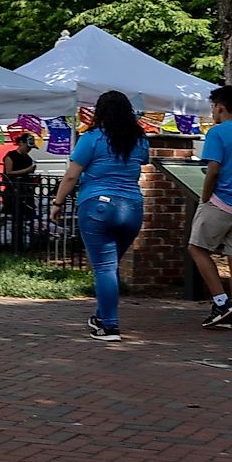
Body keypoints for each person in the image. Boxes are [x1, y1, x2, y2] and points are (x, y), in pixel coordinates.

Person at [48, 90, 149, 342]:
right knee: (110, 267)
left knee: (104, 267)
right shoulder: (139, 139)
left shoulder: (91, 138)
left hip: (98, 207)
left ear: (100, 112)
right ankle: (102, 317)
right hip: (132, 209)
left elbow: (72, 175)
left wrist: (57, 202)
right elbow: (142, 162)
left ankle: (110, 326)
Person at [188, 85, 232, 330]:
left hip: (221, 202)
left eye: (213, 107)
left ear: (219, 106)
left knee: (196, 248)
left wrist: (205, 197)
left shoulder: (218, 133)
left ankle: (220, 302)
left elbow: (213, 169)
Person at [3, 133, 38, 219]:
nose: (29, 150)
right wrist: (27, 170)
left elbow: (29, 174)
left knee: (28, 214)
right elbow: (9, 172)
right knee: (14, 215)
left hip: (26, 191)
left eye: (30, 148)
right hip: (13, 190)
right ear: (21, 143)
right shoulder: (11, 155)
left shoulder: (28, 158)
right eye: (28, 147)